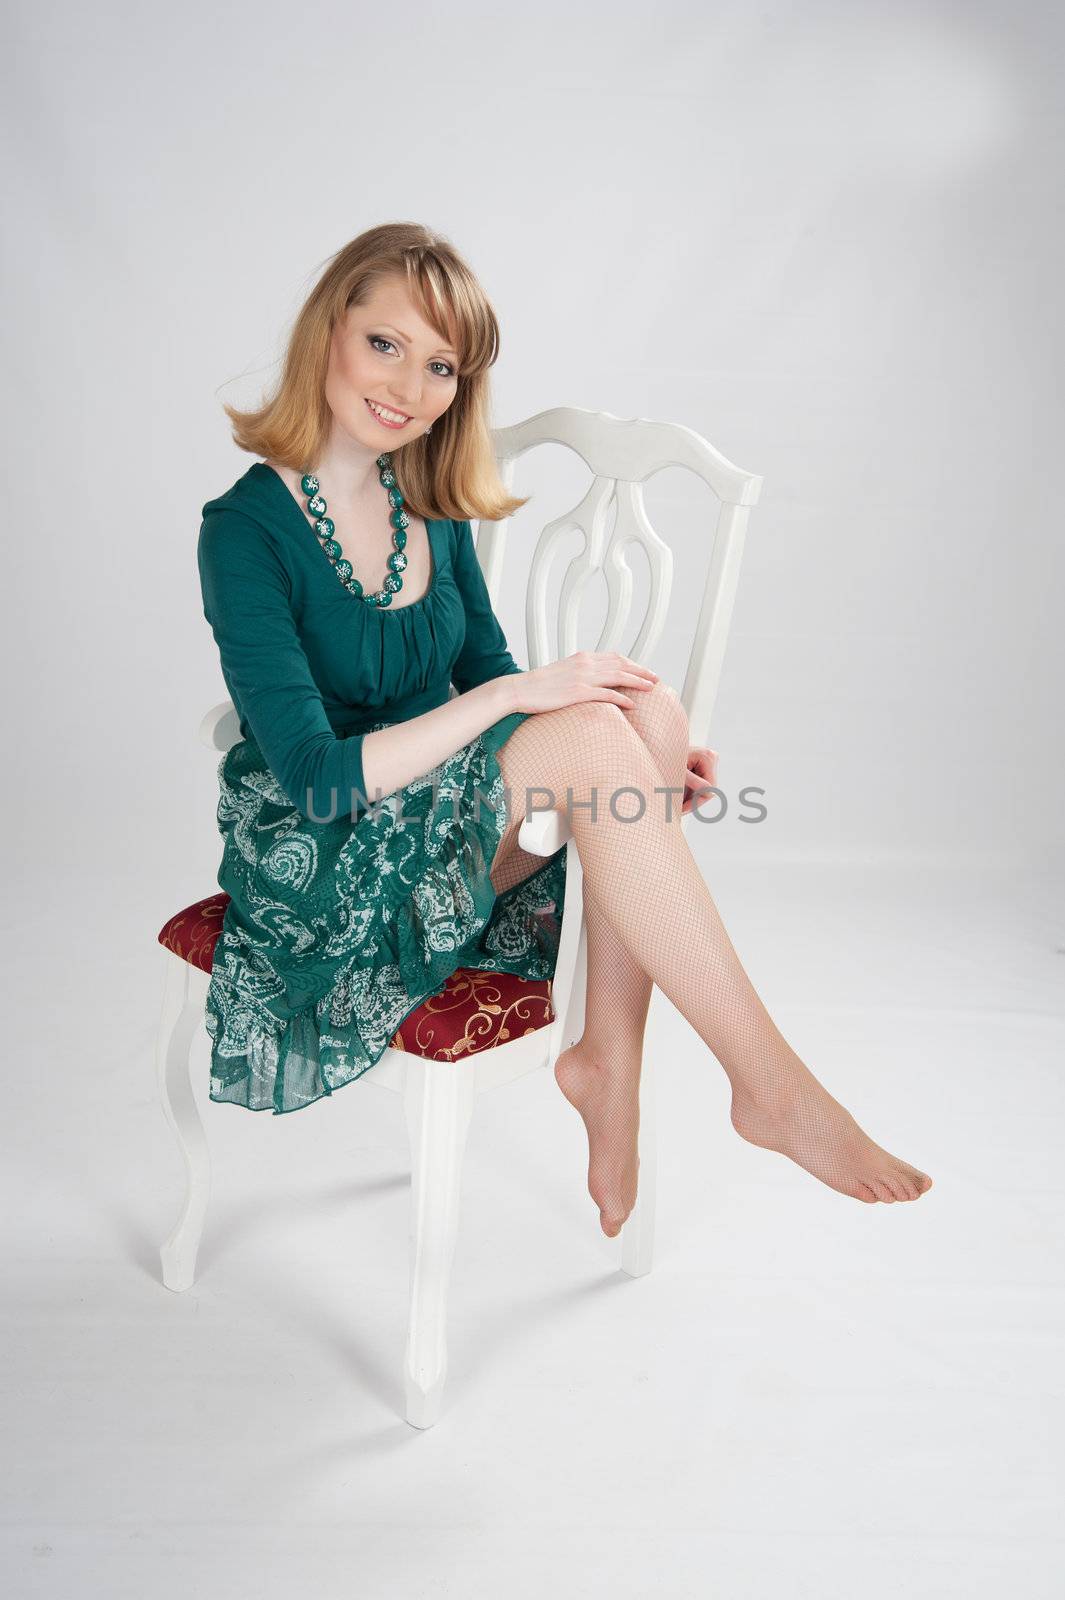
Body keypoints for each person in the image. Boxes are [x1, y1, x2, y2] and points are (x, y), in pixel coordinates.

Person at [198, 220, 933, 1238]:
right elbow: (323, 777)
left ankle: (607, 1064)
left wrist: (637, 747)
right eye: (386, 345)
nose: (410, 387)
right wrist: (524, 712)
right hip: (325, 863)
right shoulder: (244, 531)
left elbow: (500, 674)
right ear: (330, 330)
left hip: (433, 818)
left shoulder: (427, 506)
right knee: (594, 741)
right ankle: (769, 1088)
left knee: (643, 711)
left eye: (442, 366)